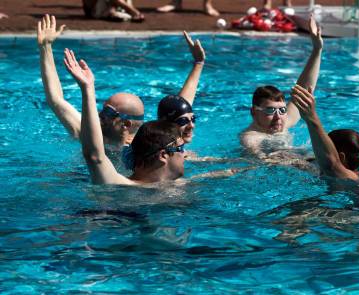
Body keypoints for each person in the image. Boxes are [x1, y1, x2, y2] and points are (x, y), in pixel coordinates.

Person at [37, 15, 205, 151]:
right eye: (103, 110)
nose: (99, 116)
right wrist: (46, 48)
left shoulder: (151, 148)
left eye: (108, 113)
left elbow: (181, 114)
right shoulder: (89, 134)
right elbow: (56, 100)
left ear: (126, 123)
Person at [63, 48, 186, 185]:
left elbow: (183, 108)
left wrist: (199, 64)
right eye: (180, 149)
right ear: (163, 155)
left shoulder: (179, 186)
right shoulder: (121, 186)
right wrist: (88, 89)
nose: (184, 155)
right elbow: (94, 156)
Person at [240, 16, 323, 159]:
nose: (278, 117)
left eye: (282, 110)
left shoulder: (284, 121)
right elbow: (263, 162)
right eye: (270, 110)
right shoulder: (251, 138)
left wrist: (317, 50)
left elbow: (304, 90)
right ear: (254, 111)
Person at [291, 85, 359, 181]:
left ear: (342, 157)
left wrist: (311, 118)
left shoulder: (350, 178)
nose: (319, 156)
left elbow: (331, 164)